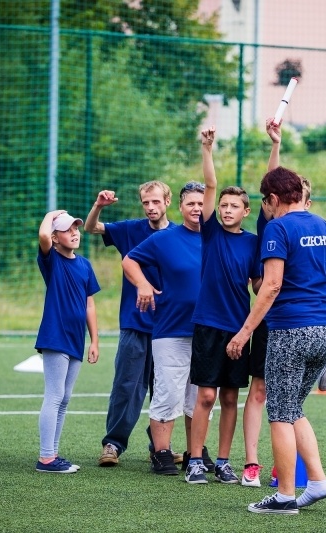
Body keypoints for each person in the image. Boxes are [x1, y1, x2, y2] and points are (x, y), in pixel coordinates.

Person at [227, 163, 326, 514]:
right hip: (323, 331)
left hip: (289, 332)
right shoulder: (322, 225)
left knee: (279, 413)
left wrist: (244, 331)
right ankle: (317, 481)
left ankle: (284, 495)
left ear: (273, 198)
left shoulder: (278, 228)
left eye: (266, 202)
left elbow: (271, 285)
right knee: (293, 408)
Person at [184, 127, 261, 485]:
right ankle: (196, 460)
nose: (227, 209)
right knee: (206, 395)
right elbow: (210, 185)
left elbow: (261, 287)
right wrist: (207, 149)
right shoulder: (210, 231)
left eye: (234, 206)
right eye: (223, 205)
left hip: (239, 328)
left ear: (246, 211)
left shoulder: (254, 243)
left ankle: (225, 461)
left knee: (230, 398)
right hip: (208, 324)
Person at [83, 182, 178, 467]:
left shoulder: (181, 234)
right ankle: (112, 444)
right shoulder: (130, 230)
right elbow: (91, 228)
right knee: (127, 386)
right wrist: (98, 206)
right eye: (146, 203)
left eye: (156, 202)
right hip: (135, 324)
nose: (151, 207)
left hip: (170, 327)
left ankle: (160, 447)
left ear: (167, 202)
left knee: (166, 391)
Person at [122, 181, 208, 476]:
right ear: (180, 207)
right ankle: (161, 452)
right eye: (191, 204)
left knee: (199, 396)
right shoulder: (165, 239)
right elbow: (129, 260)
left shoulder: (219, 239)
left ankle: (196, 451)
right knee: (168, 392)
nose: (197, 208)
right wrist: (143, 284)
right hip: (171, 328)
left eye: (202, 203)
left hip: (208, 330)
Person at [34, 210, 101, 473]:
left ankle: (53, 452)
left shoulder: (84, 264)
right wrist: (51, 215)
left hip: (76, 339)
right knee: (54, 395)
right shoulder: (51, 260)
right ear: (55, 237)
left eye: (76, 228)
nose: (74, 233)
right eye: (67, 229)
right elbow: (42, 234)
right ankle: (46, 457)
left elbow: (90, 305)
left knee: (65, 397)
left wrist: (94, 340)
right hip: (55, 335)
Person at [240, 118, 286, 488]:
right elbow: (272, 182)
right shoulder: (270, 224)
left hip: (298, 323)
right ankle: (252, 464)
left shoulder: (312, 227)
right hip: (269, 321)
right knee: (259, 390)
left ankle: (282, 468)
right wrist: (276, 144)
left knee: (288, 399)